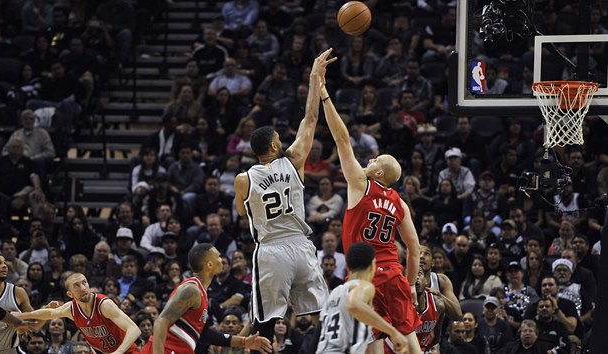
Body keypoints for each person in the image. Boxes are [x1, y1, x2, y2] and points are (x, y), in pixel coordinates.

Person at [232, 48, 335, 349]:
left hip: (271, 250)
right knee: (320, 314)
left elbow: (240, 213)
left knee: (265, 320)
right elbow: (311, 117)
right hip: (302, 246)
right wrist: (316, 77)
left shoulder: (243, 179)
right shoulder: (295, 160)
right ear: (276, 144)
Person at [319, 58, 421, 354]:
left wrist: (325, 94)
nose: (369, 160)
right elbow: (413, 248)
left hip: (365, 272)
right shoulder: (399, 202)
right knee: (410, 338)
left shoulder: (360, 185)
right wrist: (412, 284)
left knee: (372, 340)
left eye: (375, 160)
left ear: (379, 174)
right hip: (393, 270)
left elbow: (341, 139)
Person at [143, 243, 272, 354]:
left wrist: (244, 342)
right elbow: (161, 322)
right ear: (209, 264)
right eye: (218, 256)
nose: (221, 260)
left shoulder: (201, 293)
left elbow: (206, 335)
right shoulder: (191, 290)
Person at [315, 242, 407, 353]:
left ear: (348, 266)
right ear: (373, 265)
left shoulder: (334, 293)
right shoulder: (364, 286)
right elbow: (353, 304)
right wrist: (394, 332)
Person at [17, 273, 141, 354]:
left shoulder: (103, 304)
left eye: (84, 282)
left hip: (126, 351)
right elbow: (50, 313)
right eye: (76, 286)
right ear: (70, 294)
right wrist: (22, 315)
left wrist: (118, 353)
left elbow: (134, 329)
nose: (82, 287)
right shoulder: (72, 309)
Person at [0, 255, 45, 353]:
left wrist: (46, 312)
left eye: (5, 263)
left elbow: (33, 326)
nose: (4, 266)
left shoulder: (18, 292)